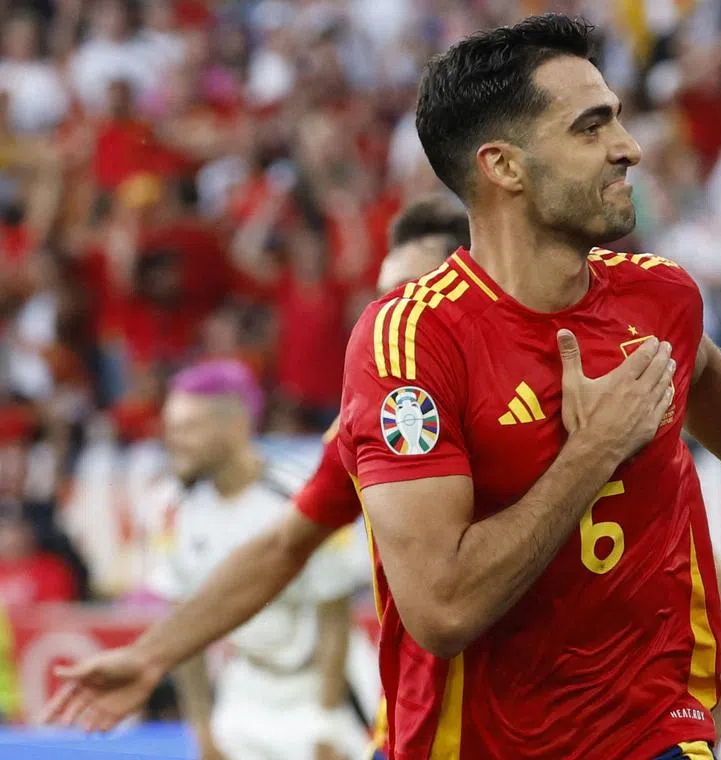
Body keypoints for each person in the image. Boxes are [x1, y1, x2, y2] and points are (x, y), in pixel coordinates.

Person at [336, 15, 721, 759]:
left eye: (618, 120)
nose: (627, 148)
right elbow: (441, 608)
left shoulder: (662, 298)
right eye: (591, 128)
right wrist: (594, 449)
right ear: (504, 166)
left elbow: (703, 369)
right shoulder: (410, 344)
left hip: (653, 728)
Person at [42, 195, 473, 759]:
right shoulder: (359, 432)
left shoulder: (532, 395)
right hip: (372, 716)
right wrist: (151, 659)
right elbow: (278, 552)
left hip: (531, 714)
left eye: (416, 288)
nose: (393, 312)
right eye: (383, 294)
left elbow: (338, 608)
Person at [137, 360, 371, 760]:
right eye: (170, 428)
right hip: (244, 689)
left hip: (320, 690)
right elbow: (184, 630)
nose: (173, 441)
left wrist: (325, 722)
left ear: (236, 425)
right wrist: (202, 730)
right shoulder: (172, 511)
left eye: (187, 428)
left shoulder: (298, 496)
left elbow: (335, 618)